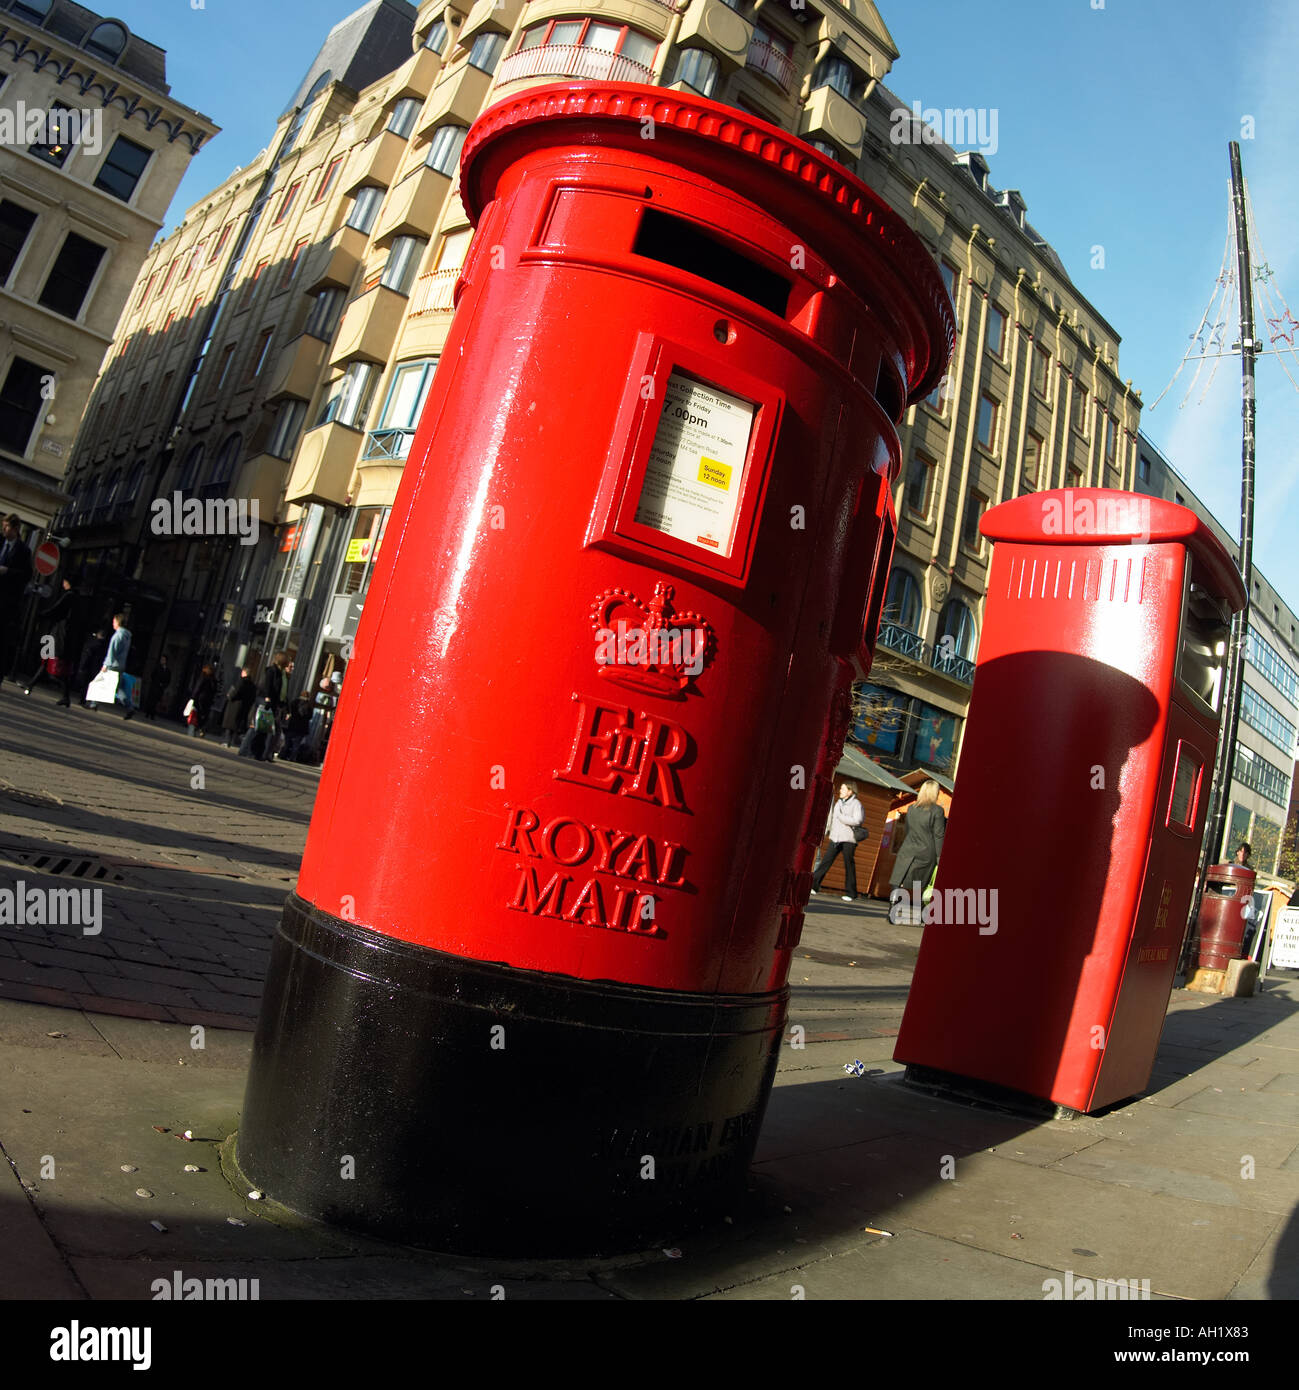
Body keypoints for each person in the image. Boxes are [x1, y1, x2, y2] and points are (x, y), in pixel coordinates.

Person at [889, 779, 947, 924]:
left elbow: (908, 830)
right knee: (920, 885)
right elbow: (939, 835)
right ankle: (920, 915)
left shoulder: (911, 808)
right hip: (926, 852)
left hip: (908, 848)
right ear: (935, 793)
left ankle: (892, 911)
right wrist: (940, 858)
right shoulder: (937, 811)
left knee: (898, 880)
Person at [20, 577, 82, 706]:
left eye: (65, 581)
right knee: (50, 661)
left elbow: (57, 610)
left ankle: (34, 685)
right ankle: (31, 684)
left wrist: (42, 614)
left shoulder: (69, 596)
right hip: (65, 636)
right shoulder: (79, 598)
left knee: (51, 661)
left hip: (59, 634)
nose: (63, 583)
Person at [809, 781, 866, 902]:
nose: (840, 791)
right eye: (841, 789)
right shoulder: (839, 803)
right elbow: (832, 818)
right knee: (826, 862)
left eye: (843, 789)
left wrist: (841, 817)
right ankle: (814, 886)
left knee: (849, 865)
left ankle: (851, 893)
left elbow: (858, 820)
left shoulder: (856, 804)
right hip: (836, 837)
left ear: (850, 792)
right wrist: (829, 830)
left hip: (848, 839)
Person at [0, 513, 32, 686]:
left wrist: (8, 572)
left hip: (6, 603)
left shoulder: (23, 551)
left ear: (15, 529)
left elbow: (26, 575)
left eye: (6, 527)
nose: (4, 530)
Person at [100, 612, 135, 719]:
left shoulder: (117, 636)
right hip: (121, 664)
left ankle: (93, 703)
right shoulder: (127, 636)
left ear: (118, 622)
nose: (113, 623)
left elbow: (112, 651)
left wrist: (106, 664)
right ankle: (129, 707)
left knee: (101, 682)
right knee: (118, 687)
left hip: (113, 664)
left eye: (114, 621)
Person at [220, 666, 257, 748]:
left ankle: (227, 741)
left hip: (235, 706)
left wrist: (230, 696)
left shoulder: (241, 682)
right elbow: (253, 697)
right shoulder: (252, 685)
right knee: (237, 725)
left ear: (244, 673)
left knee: (230, 725)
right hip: (245, 707)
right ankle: (235, 741)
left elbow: (235, 692)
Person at [77, 627, 109, 706]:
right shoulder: (104, 646)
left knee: (84, 684)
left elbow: (87, 656)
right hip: (96, 668)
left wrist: (82, 666)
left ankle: (82, 699)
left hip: (88, 667)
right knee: (91, 684)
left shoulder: (92, 644)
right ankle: (89, 700)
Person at [185, 663, 216, 737]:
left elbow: (198, 687)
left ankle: (191, 732)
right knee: (203, 716)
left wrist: (192, 697)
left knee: (194, 715)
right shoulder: (214, 679)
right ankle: (201, 729)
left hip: (199, 699)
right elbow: (214, 691)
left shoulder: (203, 677)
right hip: (208, 700)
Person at [144, 654, 171, 721]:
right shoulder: (157, 667)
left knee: (156, 701)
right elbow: (152, 675)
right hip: (154, 686)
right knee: (151, 700)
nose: (162, 661)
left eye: (163, 660)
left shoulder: (167, 670)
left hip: (160, 688)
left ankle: (153, 714)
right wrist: (155, 682)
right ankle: (148, 713)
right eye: (161, 659)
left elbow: (168, 679)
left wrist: (164, 685)